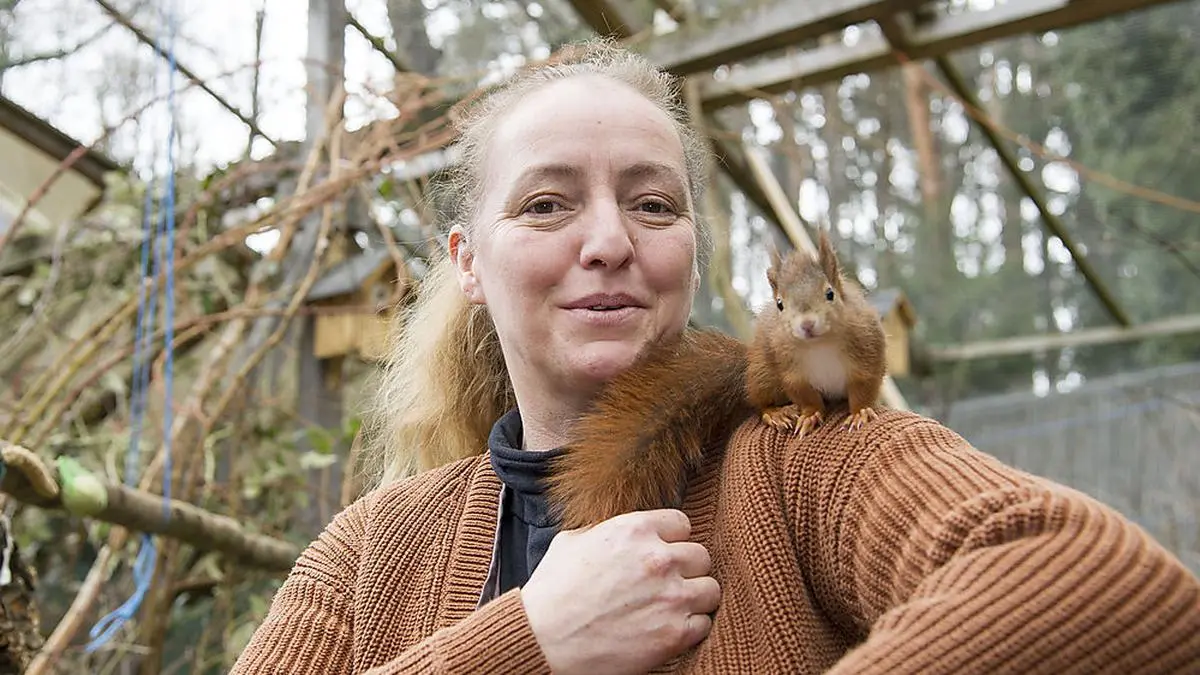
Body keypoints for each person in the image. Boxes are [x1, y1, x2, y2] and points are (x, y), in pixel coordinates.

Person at [231, 39, 1200, 674]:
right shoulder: (371, 551)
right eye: (546, 202)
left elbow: (1103, 580)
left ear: (690, 251)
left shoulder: (809, 456)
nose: (609, 239)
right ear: (469, 262)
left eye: (653, 203)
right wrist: (528, 642)